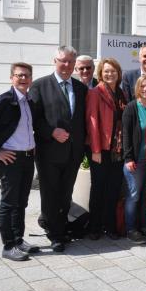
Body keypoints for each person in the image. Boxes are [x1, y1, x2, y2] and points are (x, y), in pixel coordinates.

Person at [0, 63, 38, 261]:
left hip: (28, 158)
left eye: (26, 75)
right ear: (11, 78)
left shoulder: (29, 101)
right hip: (11, 159)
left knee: (21, 202)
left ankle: (19, 240)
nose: (23, 79)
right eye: (19, 75)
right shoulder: (3, 101)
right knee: (9, 203)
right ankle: (8, 245)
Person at [30, 46, 88, 252]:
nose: (67, 65)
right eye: (63, 61)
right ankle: (54, 234)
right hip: (49, 153)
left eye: (71, 62)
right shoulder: (39, 86)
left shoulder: (81, 89)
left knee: (65, 193)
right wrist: (51, 131)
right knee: (50, 193)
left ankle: (60, 227)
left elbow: (81, 120)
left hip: (73, 153)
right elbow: (33, 119)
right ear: (54, 61)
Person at [86, 58, 127, 240]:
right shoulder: (95, 92)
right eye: (106, 71)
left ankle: (110, 226)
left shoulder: (122, 93)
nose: (110, 74)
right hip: (100, 148)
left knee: (113, 189)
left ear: (118, 73)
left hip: (117, 150)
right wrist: (95, 149)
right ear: (100, 74)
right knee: (98, 188)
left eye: (113, 71)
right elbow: (92, 121)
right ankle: (94, 227)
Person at [122, 74, 146, 244]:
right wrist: (128, 158)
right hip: (135, 160)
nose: (145, 89)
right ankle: (131, 229)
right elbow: (126, 135)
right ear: (137, 88)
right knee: (134, 195)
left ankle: (145, 226)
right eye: (142, 86)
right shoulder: (131, 107)